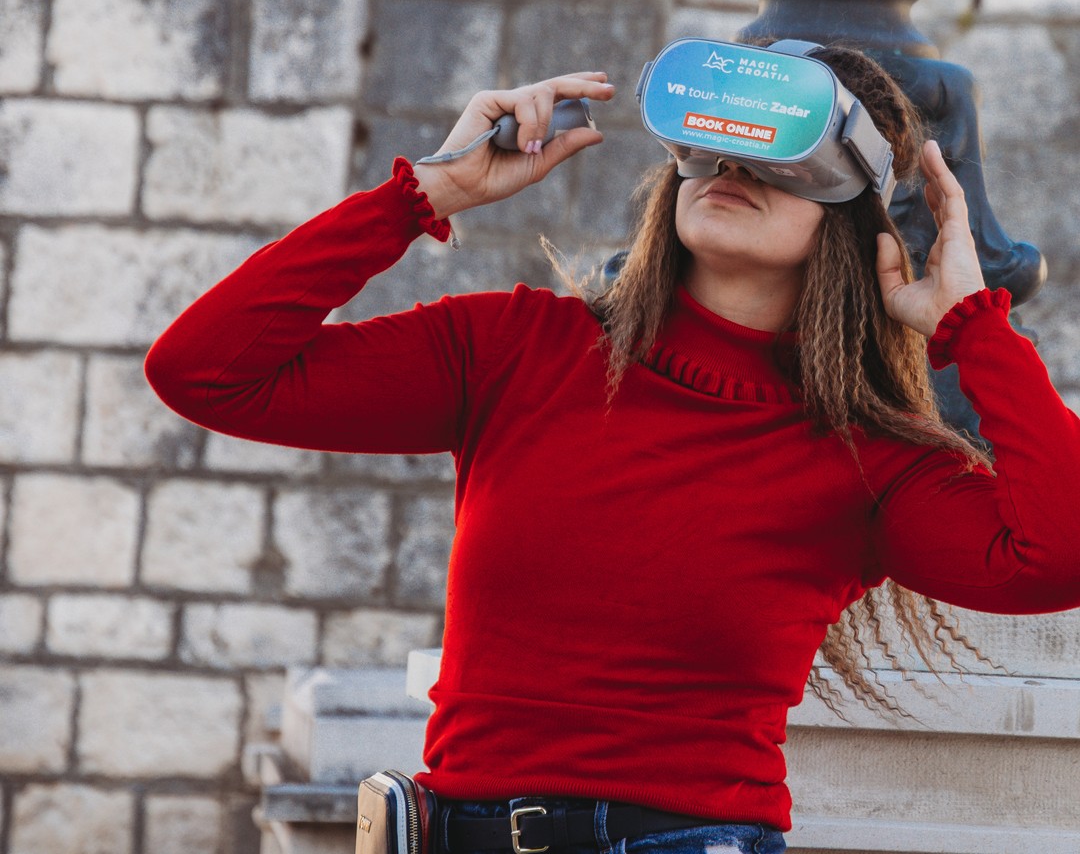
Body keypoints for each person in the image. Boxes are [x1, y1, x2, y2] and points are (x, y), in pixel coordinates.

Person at [145, 48, 1080, 854]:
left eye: (780, 149)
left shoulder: (866, 456)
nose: (732, 163)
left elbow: (1059, 553)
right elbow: (206, 372)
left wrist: (971, 327)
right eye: (713, 134)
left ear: (850, 202)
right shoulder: (515, 348)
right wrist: (424, 194)